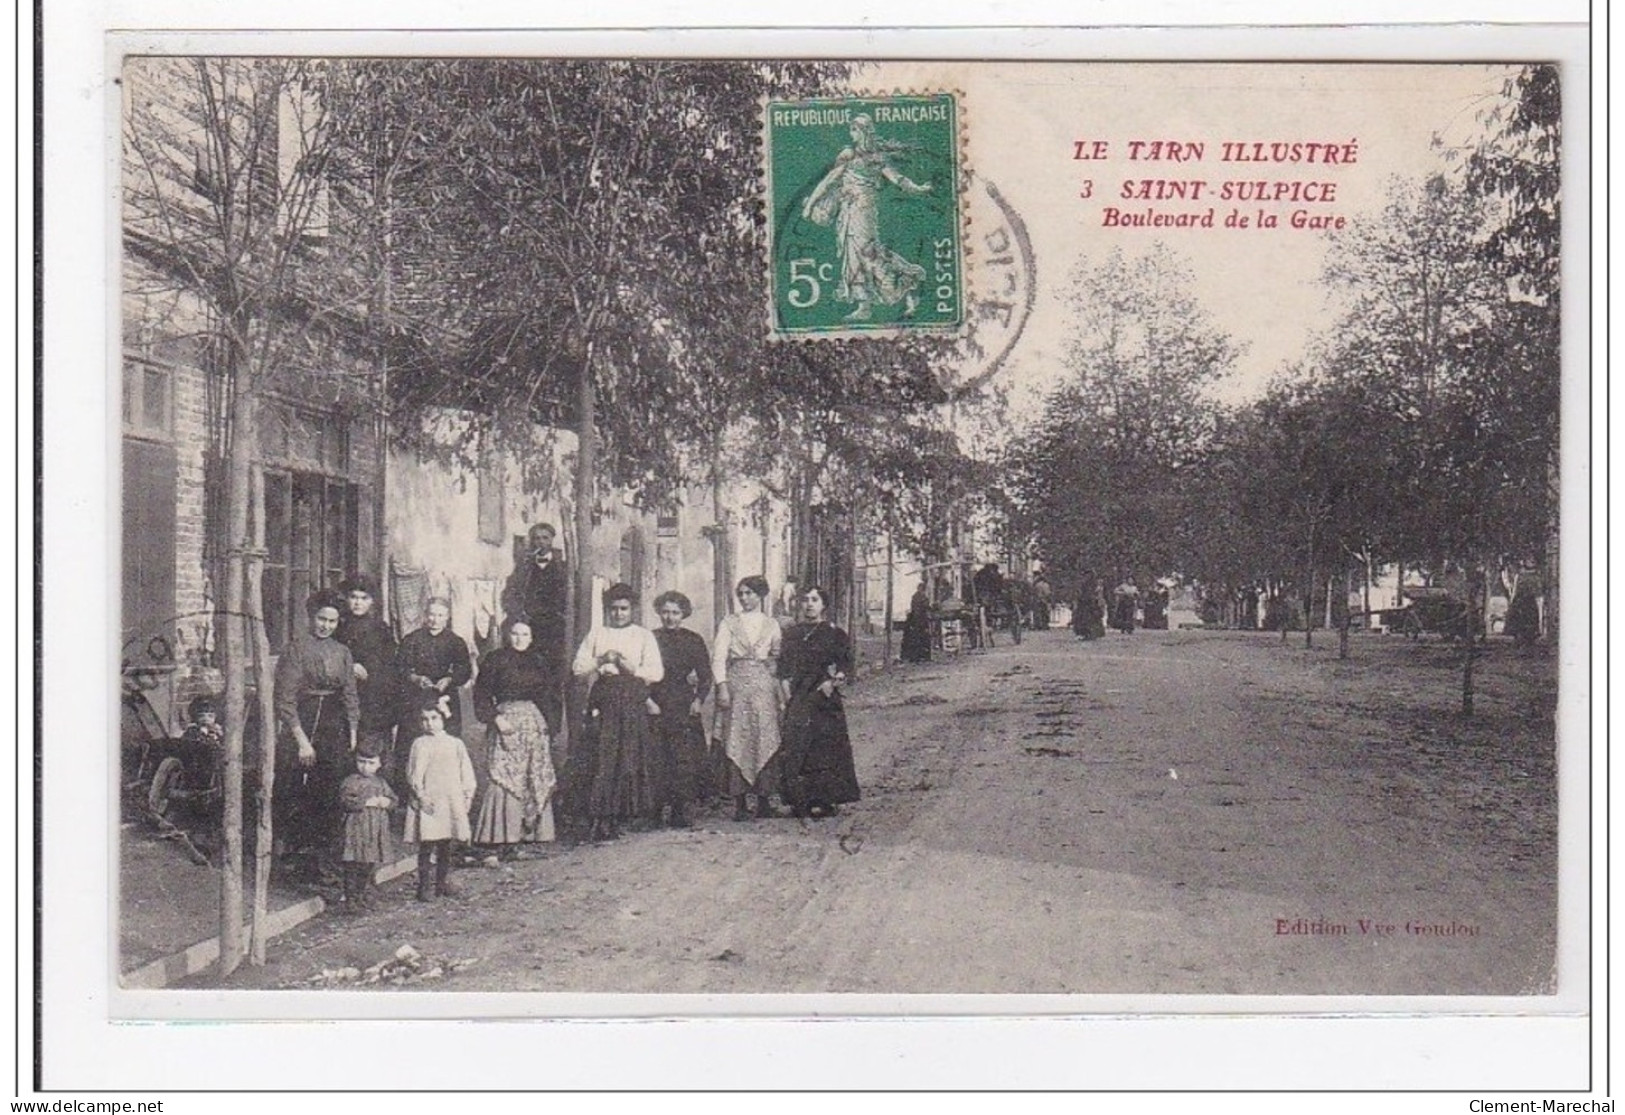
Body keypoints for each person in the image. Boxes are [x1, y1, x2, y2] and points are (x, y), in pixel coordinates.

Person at [800, 113, 932, 322]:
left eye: (854, 129)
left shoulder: (874, 158)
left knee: (867, 252)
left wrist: (919, 188)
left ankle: (905, 278)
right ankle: (868, 302)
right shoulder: (848, 155)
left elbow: (898, 179)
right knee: (858, 254)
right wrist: (811, 204)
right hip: (849, 210)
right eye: (851, 129)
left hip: (864, 211)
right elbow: (829, 181)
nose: (851, 133)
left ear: (863, 132)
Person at [273, 588, 360, 887]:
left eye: (332, 621)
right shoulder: (296, 649)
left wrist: (351, 732)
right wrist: (301, 740)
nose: (326, 625)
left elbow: (349, 693)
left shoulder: (342, 652)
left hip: (333, 725)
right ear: (312, 618)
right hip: (304, 721)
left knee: (329, 792)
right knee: (297, 790)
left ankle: (324, 863)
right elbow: (284, 699)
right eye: (321, 619)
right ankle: (293, 861)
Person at [572, 583, 664, 842]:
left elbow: (656, 672)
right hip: (605, 697)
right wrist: (601, 660)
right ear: (607, 610)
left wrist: (628, 665)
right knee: (602, 756)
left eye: (624, 609)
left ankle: (620, 816)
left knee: (627, 757)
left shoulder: (643, 636)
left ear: (632, 609)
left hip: (632, 697)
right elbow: (578, 668)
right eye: (614, 609)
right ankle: (600, 817)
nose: (619, 614)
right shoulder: (597, 634)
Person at [471, 618, 558, 857]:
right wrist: (495, 719)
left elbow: (548, 696)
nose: (520, 639)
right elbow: (481, 694)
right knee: (503, 777)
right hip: (506, 722)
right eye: (515, 634)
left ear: (531, 637)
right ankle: (497, 839)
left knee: (531, 776)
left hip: (533, 726)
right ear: (508, 635)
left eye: (525, 634)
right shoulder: (495, 659)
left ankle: (520, 838)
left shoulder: (538, 661)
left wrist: (549, 727)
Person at [778, 585, 861, 819]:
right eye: (805, 600)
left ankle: (826, 799)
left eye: (814, 600)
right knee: (798, 746)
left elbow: (846, 665)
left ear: (823, 604)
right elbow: (783, 668)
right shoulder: (792, 634)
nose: (809, 604)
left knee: (826, 746)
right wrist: (786, 696)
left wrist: (832, 683)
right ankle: (799, 800)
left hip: (824, 695)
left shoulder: (834, 633)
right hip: (798, 695)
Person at [713, 575, 784, 821]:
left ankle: (764, 800)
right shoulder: (729, 623)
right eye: (741, 594)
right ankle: (741, 801)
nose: (744, 598)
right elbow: (719, 657)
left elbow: (777, 654)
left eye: (749, 593)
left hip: (763, 687)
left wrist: (772, 672)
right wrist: (722, 686)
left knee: (764, 736)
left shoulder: (771, 624)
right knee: (738, 737)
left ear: (761, 596)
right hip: (737, 686)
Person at [647, 590, 714, 829]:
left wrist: (699, 700)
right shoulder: (650, 637)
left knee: (682, 759)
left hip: (682, 701)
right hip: (656, 700)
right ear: (659, 612)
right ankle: (654, 811)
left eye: (675, 612)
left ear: (683, 614)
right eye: (665, 612)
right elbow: (642, 674)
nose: (670, 617)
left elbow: (706, 675)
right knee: (656, 756)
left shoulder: (693, 640)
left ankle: (679, 810)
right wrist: (648, 700)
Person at [403, 696, 477, 902]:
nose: (429, 723)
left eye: (434, 718)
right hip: (430, 801)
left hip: (450, 799)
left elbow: (466, 772)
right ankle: (424, 885)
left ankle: (442, 882)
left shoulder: (455, 744)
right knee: (427, 845)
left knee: (446, 844)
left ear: (443, 718)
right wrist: (421, 796)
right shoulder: (419, 744)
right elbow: (414, 774)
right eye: (424, 719)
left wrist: (467, 796)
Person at [336, 573, 399, 789]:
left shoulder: (380, 629)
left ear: (371, 601)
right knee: (345, 751)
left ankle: (379, 803)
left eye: (364, 598)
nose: (358, 603)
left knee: (373, 752)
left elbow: (391, 666)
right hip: (342, 700)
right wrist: (348, 666)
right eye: (354, 597)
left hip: (374, 701)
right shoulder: (338, 626)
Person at [395, 596, 473, 745]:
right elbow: (399, 668)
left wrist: (449, 679)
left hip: (445, 696)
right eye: (431, 614)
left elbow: (464, 669)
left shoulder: (455, 641)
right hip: (416, 697)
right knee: (411, 741)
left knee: (447, 742)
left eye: (440, 615)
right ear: (425, 615)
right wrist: (416, 678)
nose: (435, 620)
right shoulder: (412, 639)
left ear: (447, 617)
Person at [501, 523, 570, 680]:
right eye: (537, 538)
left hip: (555, 626)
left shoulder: (563, 568)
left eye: (545, 538)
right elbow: (511, 592)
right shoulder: (524, 567)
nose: (541, 542)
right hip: (530, 624)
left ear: (552, 540)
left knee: (553, 666)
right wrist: (519, 614)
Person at [337, 741, 397, 914]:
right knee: (353, 863)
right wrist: (366, 802)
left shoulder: (381, 782)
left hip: (375, 829)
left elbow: (394, 799)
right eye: (361, 761)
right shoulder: (351, 781)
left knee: (368, 863)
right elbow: (345, 801)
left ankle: (361, 894)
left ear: (379, 764)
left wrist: (387, 802)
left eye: (371, 763)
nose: (365, 767)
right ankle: (350, 900)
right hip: (356, 828)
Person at [899, 582, 932, 664]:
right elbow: (925, 607)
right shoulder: (921, 597)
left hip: (915, 621)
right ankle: (919, 656)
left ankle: (916, 656)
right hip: (920, 620)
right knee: (920, 639)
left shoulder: (916, 596)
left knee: (917, 639)